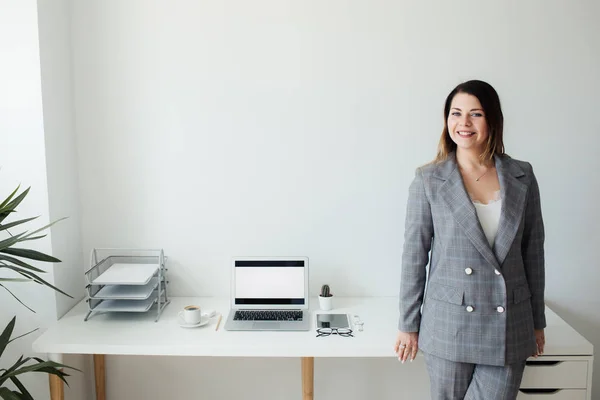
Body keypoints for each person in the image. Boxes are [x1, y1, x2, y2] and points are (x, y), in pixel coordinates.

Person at [393, 80, 546, 400]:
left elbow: (533, 251)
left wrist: (536, 321)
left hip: (509, 325)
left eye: (475, 114)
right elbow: (414, 256)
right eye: (455, 113)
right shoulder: (429, 179)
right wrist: (408, 324)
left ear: (492, 119)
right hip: (450, 323)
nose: (463, 123)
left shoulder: (522, 175)